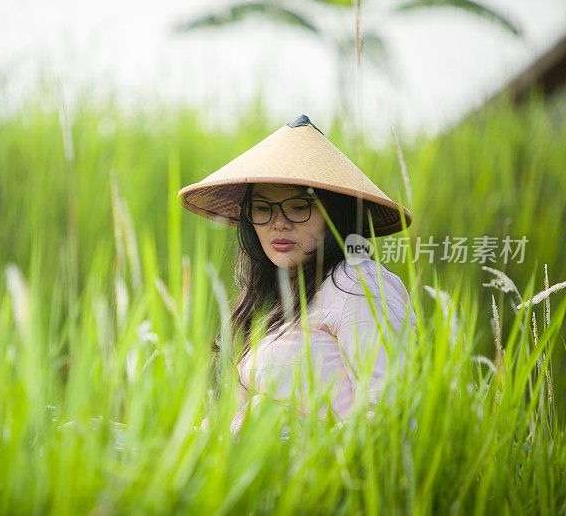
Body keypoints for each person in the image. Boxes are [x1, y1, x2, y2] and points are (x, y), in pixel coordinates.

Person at [178, 114, 417, 437]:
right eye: (263, 209)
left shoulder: (358, 285)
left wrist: (281, 425)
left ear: (334, 212)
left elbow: (394, 418)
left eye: (299, 206)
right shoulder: (275, 301)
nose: (279, 223)